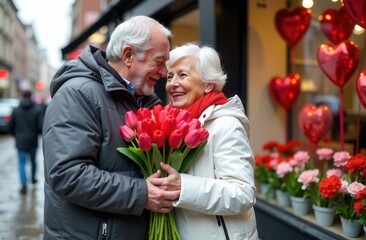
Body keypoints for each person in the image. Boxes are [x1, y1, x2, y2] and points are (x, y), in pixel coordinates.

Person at [42, 16, 180, 240]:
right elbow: (67, 174)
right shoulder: (77, 94)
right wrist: (142, 194)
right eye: (159, 61)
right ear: (128, 55)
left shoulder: (146, 101)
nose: (164, 72)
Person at [152, 43, 259, 239]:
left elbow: (243, 193)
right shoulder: (174, 124)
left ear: (208, 84)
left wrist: (182, 186)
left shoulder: (226, 125)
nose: (172, 83)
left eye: (182, 75)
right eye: (170, 76)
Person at [8, 90, 43, 194]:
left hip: (20, 141)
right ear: (31, 96)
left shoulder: (16, 110)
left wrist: (16, 135)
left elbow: (11, 126)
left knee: (21, 163)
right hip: (32, 140)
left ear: (23, 96)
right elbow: (40, 127)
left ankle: (23, 183)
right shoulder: (37, 109)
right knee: (33, 161)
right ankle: (33, 179)